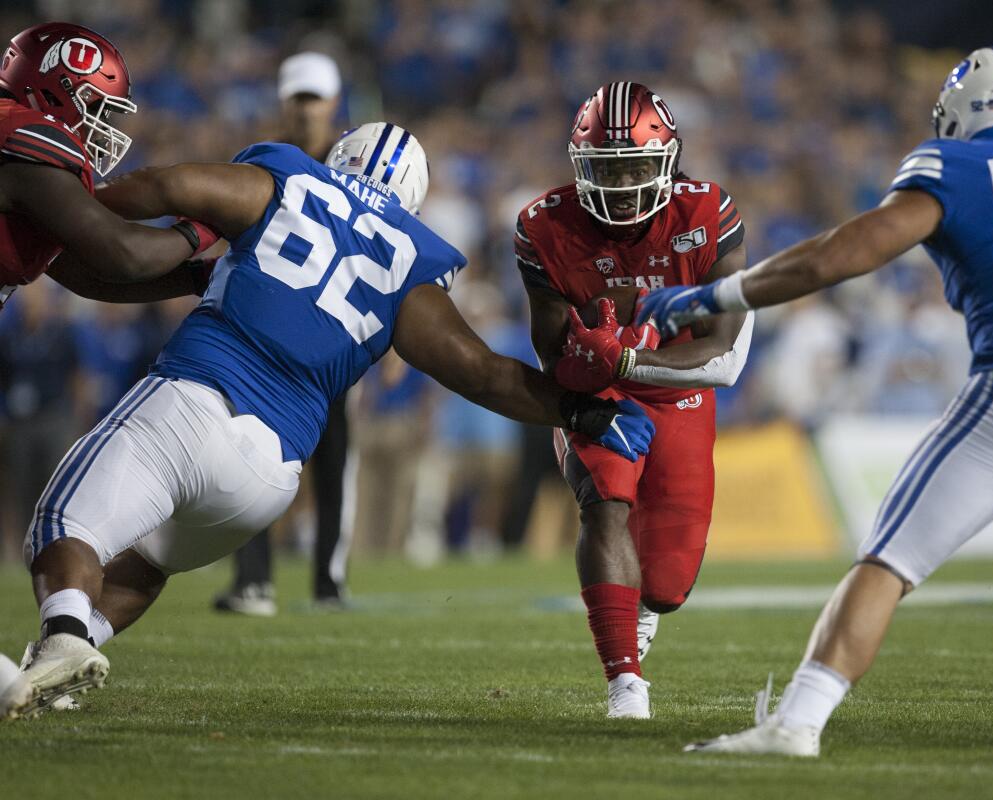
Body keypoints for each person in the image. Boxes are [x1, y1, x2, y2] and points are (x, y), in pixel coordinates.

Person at [637, 47, 993, 756]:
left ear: (967, 110)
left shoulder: (953, 166)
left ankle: (797, 723)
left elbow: (835, 257)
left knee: (886, 561)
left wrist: (711, 293)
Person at [6, 121, 654, 718]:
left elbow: (170, 186)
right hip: (267, 478)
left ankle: (64, 635)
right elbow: (482, 370)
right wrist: (579, 410)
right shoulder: (411, 258)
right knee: (146, 566)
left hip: (200, 396)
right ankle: (50, 669)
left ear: (337, 158)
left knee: (67, 522)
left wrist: (69, 215)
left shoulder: (288, 174)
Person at [522, 82, 753, 718]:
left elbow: (721, 348)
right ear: (580, 166)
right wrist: (585, 368)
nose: (622, 183)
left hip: (679, 388)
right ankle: (625, 682)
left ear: (669, 162)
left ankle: (646, 609)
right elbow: (549, 352)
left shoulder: (708, 213)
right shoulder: (543, 226)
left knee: (671, 583)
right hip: (604, 390)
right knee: (606, 507)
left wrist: (629, 356)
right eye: (606, 168)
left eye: (635, 166)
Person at [212, 51, 357, 615]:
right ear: (284, 102)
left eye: (314, 97)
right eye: (298, 97)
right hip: (272, 338)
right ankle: (254, 581)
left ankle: (329, 581)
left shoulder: (357, 165)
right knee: (252, 456)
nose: (306, 108)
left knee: (334, 462)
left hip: (335, 338)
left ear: (333, 101)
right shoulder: (269, 163)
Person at [0, 22, 217, 311]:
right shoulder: (22, 138)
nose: (100, 130)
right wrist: (210, 224)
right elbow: (124, 253)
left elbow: (88, 278)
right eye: (94, 109)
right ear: (54, 91)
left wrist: (200, 276)